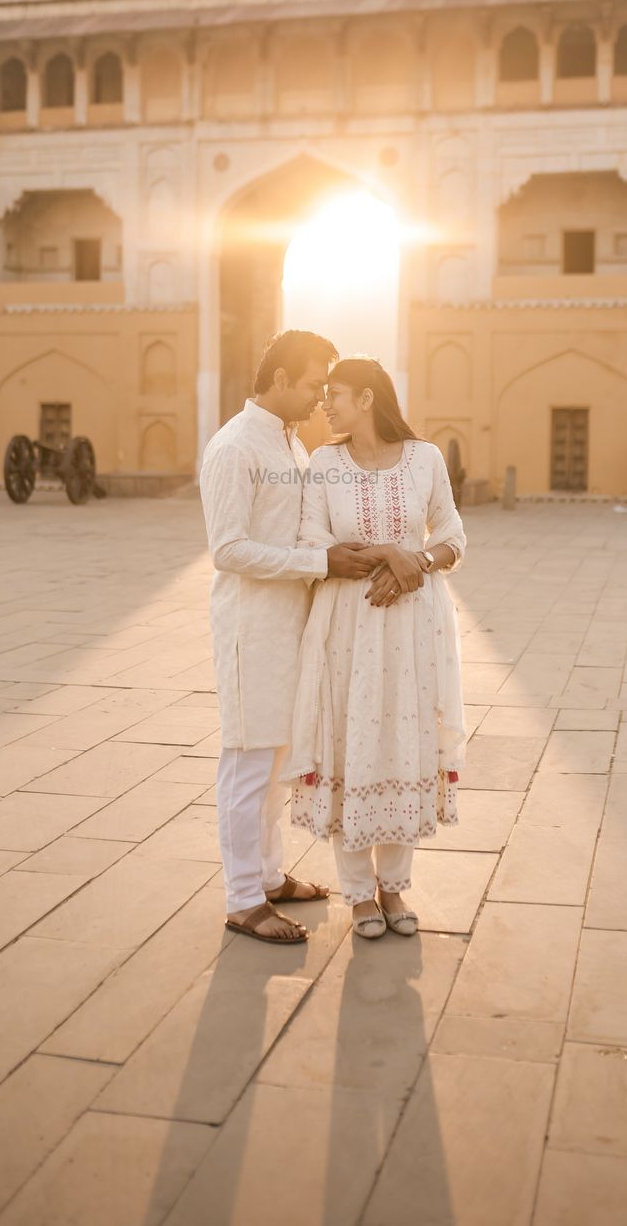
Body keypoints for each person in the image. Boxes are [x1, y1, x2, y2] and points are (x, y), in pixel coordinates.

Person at [199, 331, 400, 945]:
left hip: (294, 628)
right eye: (314, 384)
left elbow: (307, 531)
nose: (320, 398)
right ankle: (242, 901)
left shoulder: (289, 444)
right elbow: (228, 549)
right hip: (252, 632)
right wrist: (321, 565)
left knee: (276, 759)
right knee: (248, 762)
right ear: (281, 379)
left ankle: (266, 875)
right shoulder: (235, 447)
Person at [284, 356, 467, 938]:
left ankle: (393, 889)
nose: (325, 404)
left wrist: (417, 561)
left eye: (334, 394)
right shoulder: (325, 463)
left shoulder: (425, 459)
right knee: (350, 742)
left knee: (401, 742)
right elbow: (312, 538)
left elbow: (453, 537)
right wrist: (390, 554)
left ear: (366, 398)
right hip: (348, 621)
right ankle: (359, 893)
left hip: (411, 622)